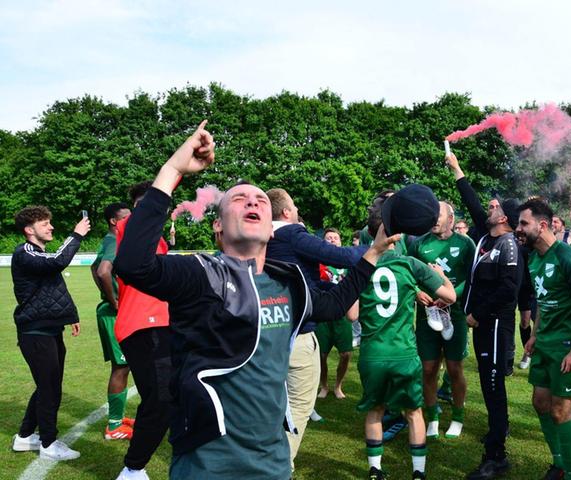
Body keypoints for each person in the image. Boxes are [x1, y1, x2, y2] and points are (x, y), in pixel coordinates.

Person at [114, 121, 395, 480]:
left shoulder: (288, 281)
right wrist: (171, 171)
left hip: (273, 463)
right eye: (239, 198)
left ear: (270, 224)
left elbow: (334, 306)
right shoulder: (201, 274)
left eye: (261, 199)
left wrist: (372, 253)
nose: (253, 201)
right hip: (207, 464)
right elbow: (133, 264)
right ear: (219, 224)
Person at [264, 187, 370, 468]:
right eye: (295, 205)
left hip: (264, 336)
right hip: (297, 335)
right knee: (299, 406)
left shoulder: (259, 237)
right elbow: (344, 257)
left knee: (271, 407)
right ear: (286, 212)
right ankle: (278, 468)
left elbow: (302, 283)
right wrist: (377, 247)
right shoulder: (291, 234)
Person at [353, 195, 456, 480]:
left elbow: (351, 315)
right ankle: (418, 473)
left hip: (373, 353)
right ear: (396, 236)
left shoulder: (360, 265)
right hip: (404, 353)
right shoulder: (410, 264)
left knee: (374, 411)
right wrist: (440, 275)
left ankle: (375, 470)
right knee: (413, 413)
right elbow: (450, 296)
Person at [444, 152, 524, 479]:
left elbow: (509, 289)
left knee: (493, 386)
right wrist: (457, 169)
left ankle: (496, 456)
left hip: (493, 325)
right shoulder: (485, 237)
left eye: (497, 207)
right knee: (491, 387)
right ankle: (496, 433)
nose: (491, 207)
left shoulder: (508, 244)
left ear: (506, 218)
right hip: (480, 324)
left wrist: (477, 313)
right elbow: (473, 203)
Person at [515, 198, 571, 480]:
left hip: (567, 348)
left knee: (561, 411)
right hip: (545, 344)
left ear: (543, 224)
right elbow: (542, 303)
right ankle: (558, 462)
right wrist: (534, 336)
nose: (518, 229)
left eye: (524, 223)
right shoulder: (534, 259)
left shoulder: (568, 258)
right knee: (540, 403)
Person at [11, 205, 90, 461]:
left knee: (49, 385)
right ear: (29, 229)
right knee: (49, 389)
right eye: (45, 223)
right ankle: (48, 443)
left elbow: (54, 288)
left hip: (50, 329)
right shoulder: (24, 252)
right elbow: (58, 261)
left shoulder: (38, 253)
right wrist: (76, 235)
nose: (51, 227)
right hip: (35, 332)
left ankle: (25, 437)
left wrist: (71, 317)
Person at [114, 182, 173, 480]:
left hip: (158, 324)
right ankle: (133, 469)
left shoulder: (154, 236)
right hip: (142, 324)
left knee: (174, 391)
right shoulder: (131, 225)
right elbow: (103, 270)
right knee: (160, 398)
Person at [410, 201, 476, 439]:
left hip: (455, 314)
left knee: (454, 368)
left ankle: (457, 418)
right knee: (427, 369)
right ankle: (433, 418)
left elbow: (471, 278)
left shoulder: (465, 243)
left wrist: (451, 296)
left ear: (451, 219)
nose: (434, 220)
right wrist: (417, 290)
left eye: (439, 215)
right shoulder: (418, 243)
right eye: (432, 215)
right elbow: (408, 272)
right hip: (427, 314)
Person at [90, 202, 135, 441]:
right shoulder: (114, 240)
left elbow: (92, 267)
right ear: (114, 221)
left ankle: (119, 419)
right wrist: (115, 301)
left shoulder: (110, 240)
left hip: (111, 311)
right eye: (126, 217)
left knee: (125, 366)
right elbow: (102, 271)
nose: (131, 220)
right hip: (113, 313)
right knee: (121, 367)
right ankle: (114, 426)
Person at [316, 227, 355, 399]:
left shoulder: (348, 262)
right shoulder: (317, 261)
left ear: (341, 241)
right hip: (323, 314)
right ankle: (323, 386)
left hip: (342, 314)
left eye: (335, 238)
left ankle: (338, 385)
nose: (332, 240)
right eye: (328, 238)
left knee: (346, 353)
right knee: (321, 354)